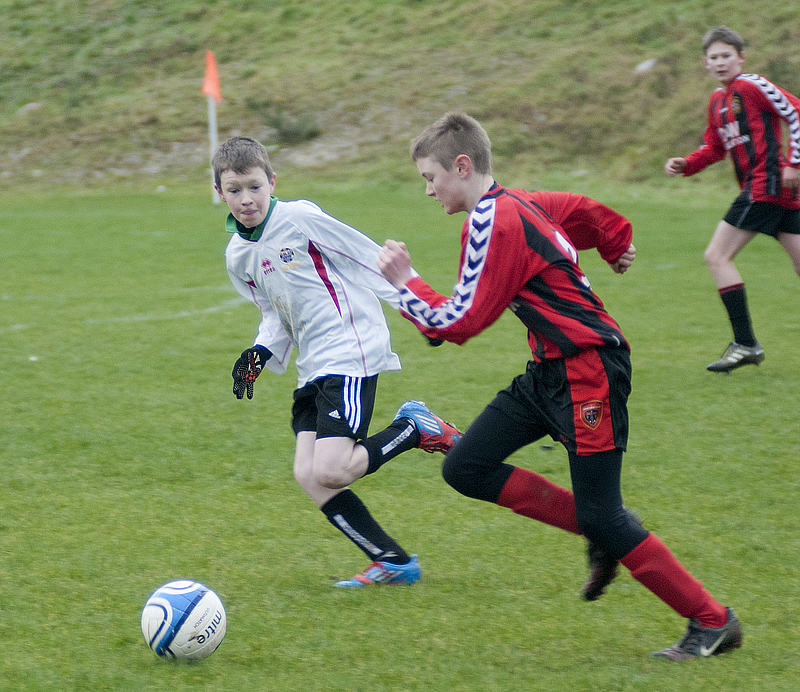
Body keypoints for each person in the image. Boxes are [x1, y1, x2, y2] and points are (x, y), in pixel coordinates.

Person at [377, 112, 742, 660]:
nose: (428, 190)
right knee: (466, 467)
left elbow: (459, 324)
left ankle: (712, 621)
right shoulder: (524, 201)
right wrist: (616, 244)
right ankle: (610, 530)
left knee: (603, 513)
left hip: (586, 370)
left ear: (462, 164)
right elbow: (586, 210)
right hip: (548, 372)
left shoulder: (491, 221)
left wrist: (405, 284)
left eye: (430, 178)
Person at [212, 136, 461, 588]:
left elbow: (368, 260)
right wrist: (258, 353)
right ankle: (393, 561)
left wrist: (424, 310)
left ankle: (416, 428)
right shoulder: (238, 255)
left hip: (351, 345)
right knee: (309, 475)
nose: (246, 199)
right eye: (234, 190)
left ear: (272, 182)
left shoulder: (300, 219)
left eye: (253, 186)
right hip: (315, 361)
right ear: (219, 193)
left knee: (331, 467)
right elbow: (274, 313)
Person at [665, 25, 800, 373]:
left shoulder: (751, 85)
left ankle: (745, 344)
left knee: (717, 255)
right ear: (706, 64)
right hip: (773, 191)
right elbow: (715, 147)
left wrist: (795, 163)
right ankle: (745, 344)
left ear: (741, 58)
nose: (721, 62)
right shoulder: (718, 100)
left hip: (764, 186)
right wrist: (687, 164)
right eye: (714, 57)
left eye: (727, 55)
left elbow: (796, 111)